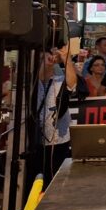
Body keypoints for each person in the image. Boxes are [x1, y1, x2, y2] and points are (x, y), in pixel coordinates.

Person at [34, 47, 79, 180]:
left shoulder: (58, 80)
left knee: (54, 175)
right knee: (36, 176)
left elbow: (72, 84)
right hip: (36, 139)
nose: (47, 61)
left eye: (48, 58)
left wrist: (66, 59)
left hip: (59, 138)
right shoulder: (32, 84)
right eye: (42, 59)